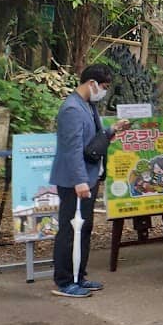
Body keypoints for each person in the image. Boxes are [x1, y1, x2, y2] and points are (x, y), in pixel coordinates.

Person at [48, 65, 125, 298]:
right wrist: (79, 181)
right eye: (103, 87)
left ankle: (79, 276)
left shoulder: (88, 106)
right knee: (70, 230)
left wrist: (112, 130)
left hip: (89, 177)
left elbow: (92, 140)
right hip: (75, 180)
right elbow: (72, 149)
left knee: (84, 229)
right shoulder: (72, 108)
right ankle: (64, 281)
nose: (103, 92)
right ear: (91, 83)